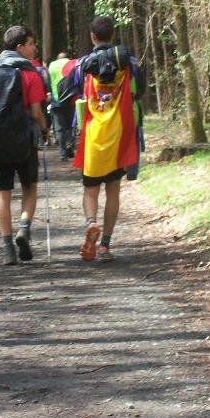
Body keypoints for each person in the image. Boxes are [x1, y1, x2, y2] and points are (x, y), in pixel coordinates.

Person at [73, 16, 143, 263]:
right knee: (113, 191)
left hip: (93, 136)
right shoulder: (128, 62)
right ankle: (104, 246)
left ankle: (91, 223)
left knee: (90, 191)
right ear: (113, 35)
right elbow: (140, 90)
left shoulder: (84, 65)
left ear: (93, 36)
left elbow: (68, 92)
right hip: (118, 136)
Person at [0, 26, 47, 265]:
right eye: (31, 44)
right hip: (24, 141)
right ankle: (24, 228)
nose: (34, 48)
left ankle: (7, 246)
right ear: (19, 47)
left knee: (2, 192)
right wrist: (44, 129)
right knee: (30, 186)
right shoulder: (30, 74)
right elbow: (36, 112)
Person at [48, 52, 75, 161]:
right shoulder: (72, 63)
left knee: (59, 129)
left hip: (56, 100)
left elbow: (48, 81)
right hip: (70, 99)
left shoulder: (51, 66)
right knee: (70, 125)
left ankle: (63, 154)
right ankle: (69, 143)